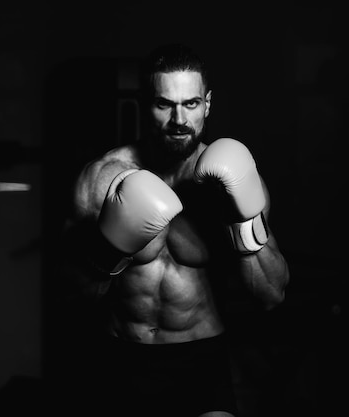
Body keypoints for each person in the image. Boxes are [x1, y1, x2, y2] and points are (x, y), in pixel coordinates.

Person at [54, 43, 290, 417]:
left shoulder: (235, 178)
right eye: (164, 104)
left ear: (207, 104)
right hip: (120, 356)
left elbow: (272, 294)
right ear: (144, 103)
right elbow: (70, 294)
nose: (179, 119)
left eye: (191, 104)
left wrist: (242, 221)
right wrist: (109, 247)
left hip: (201, 359)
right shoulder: (102, 178)